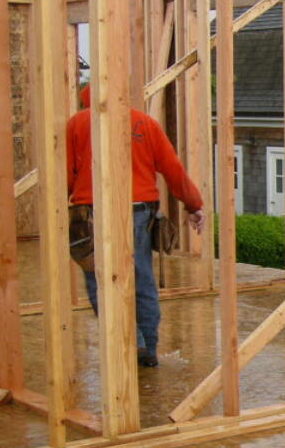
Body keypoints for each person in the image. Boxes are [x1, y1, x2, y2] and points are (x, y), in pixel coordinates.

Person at [66, 83, 205, 367]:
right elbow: (172, 169)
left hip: (91, 212)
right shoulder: (143, 123)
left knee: (99, 278)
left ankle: (127, 343)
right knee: (140, 276)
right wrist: (193, 204)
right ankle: (147, 348)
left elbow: (66, 174)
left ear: (86, 99)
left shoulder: (77, 124)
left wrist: (72, 199)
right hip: (138, 210)